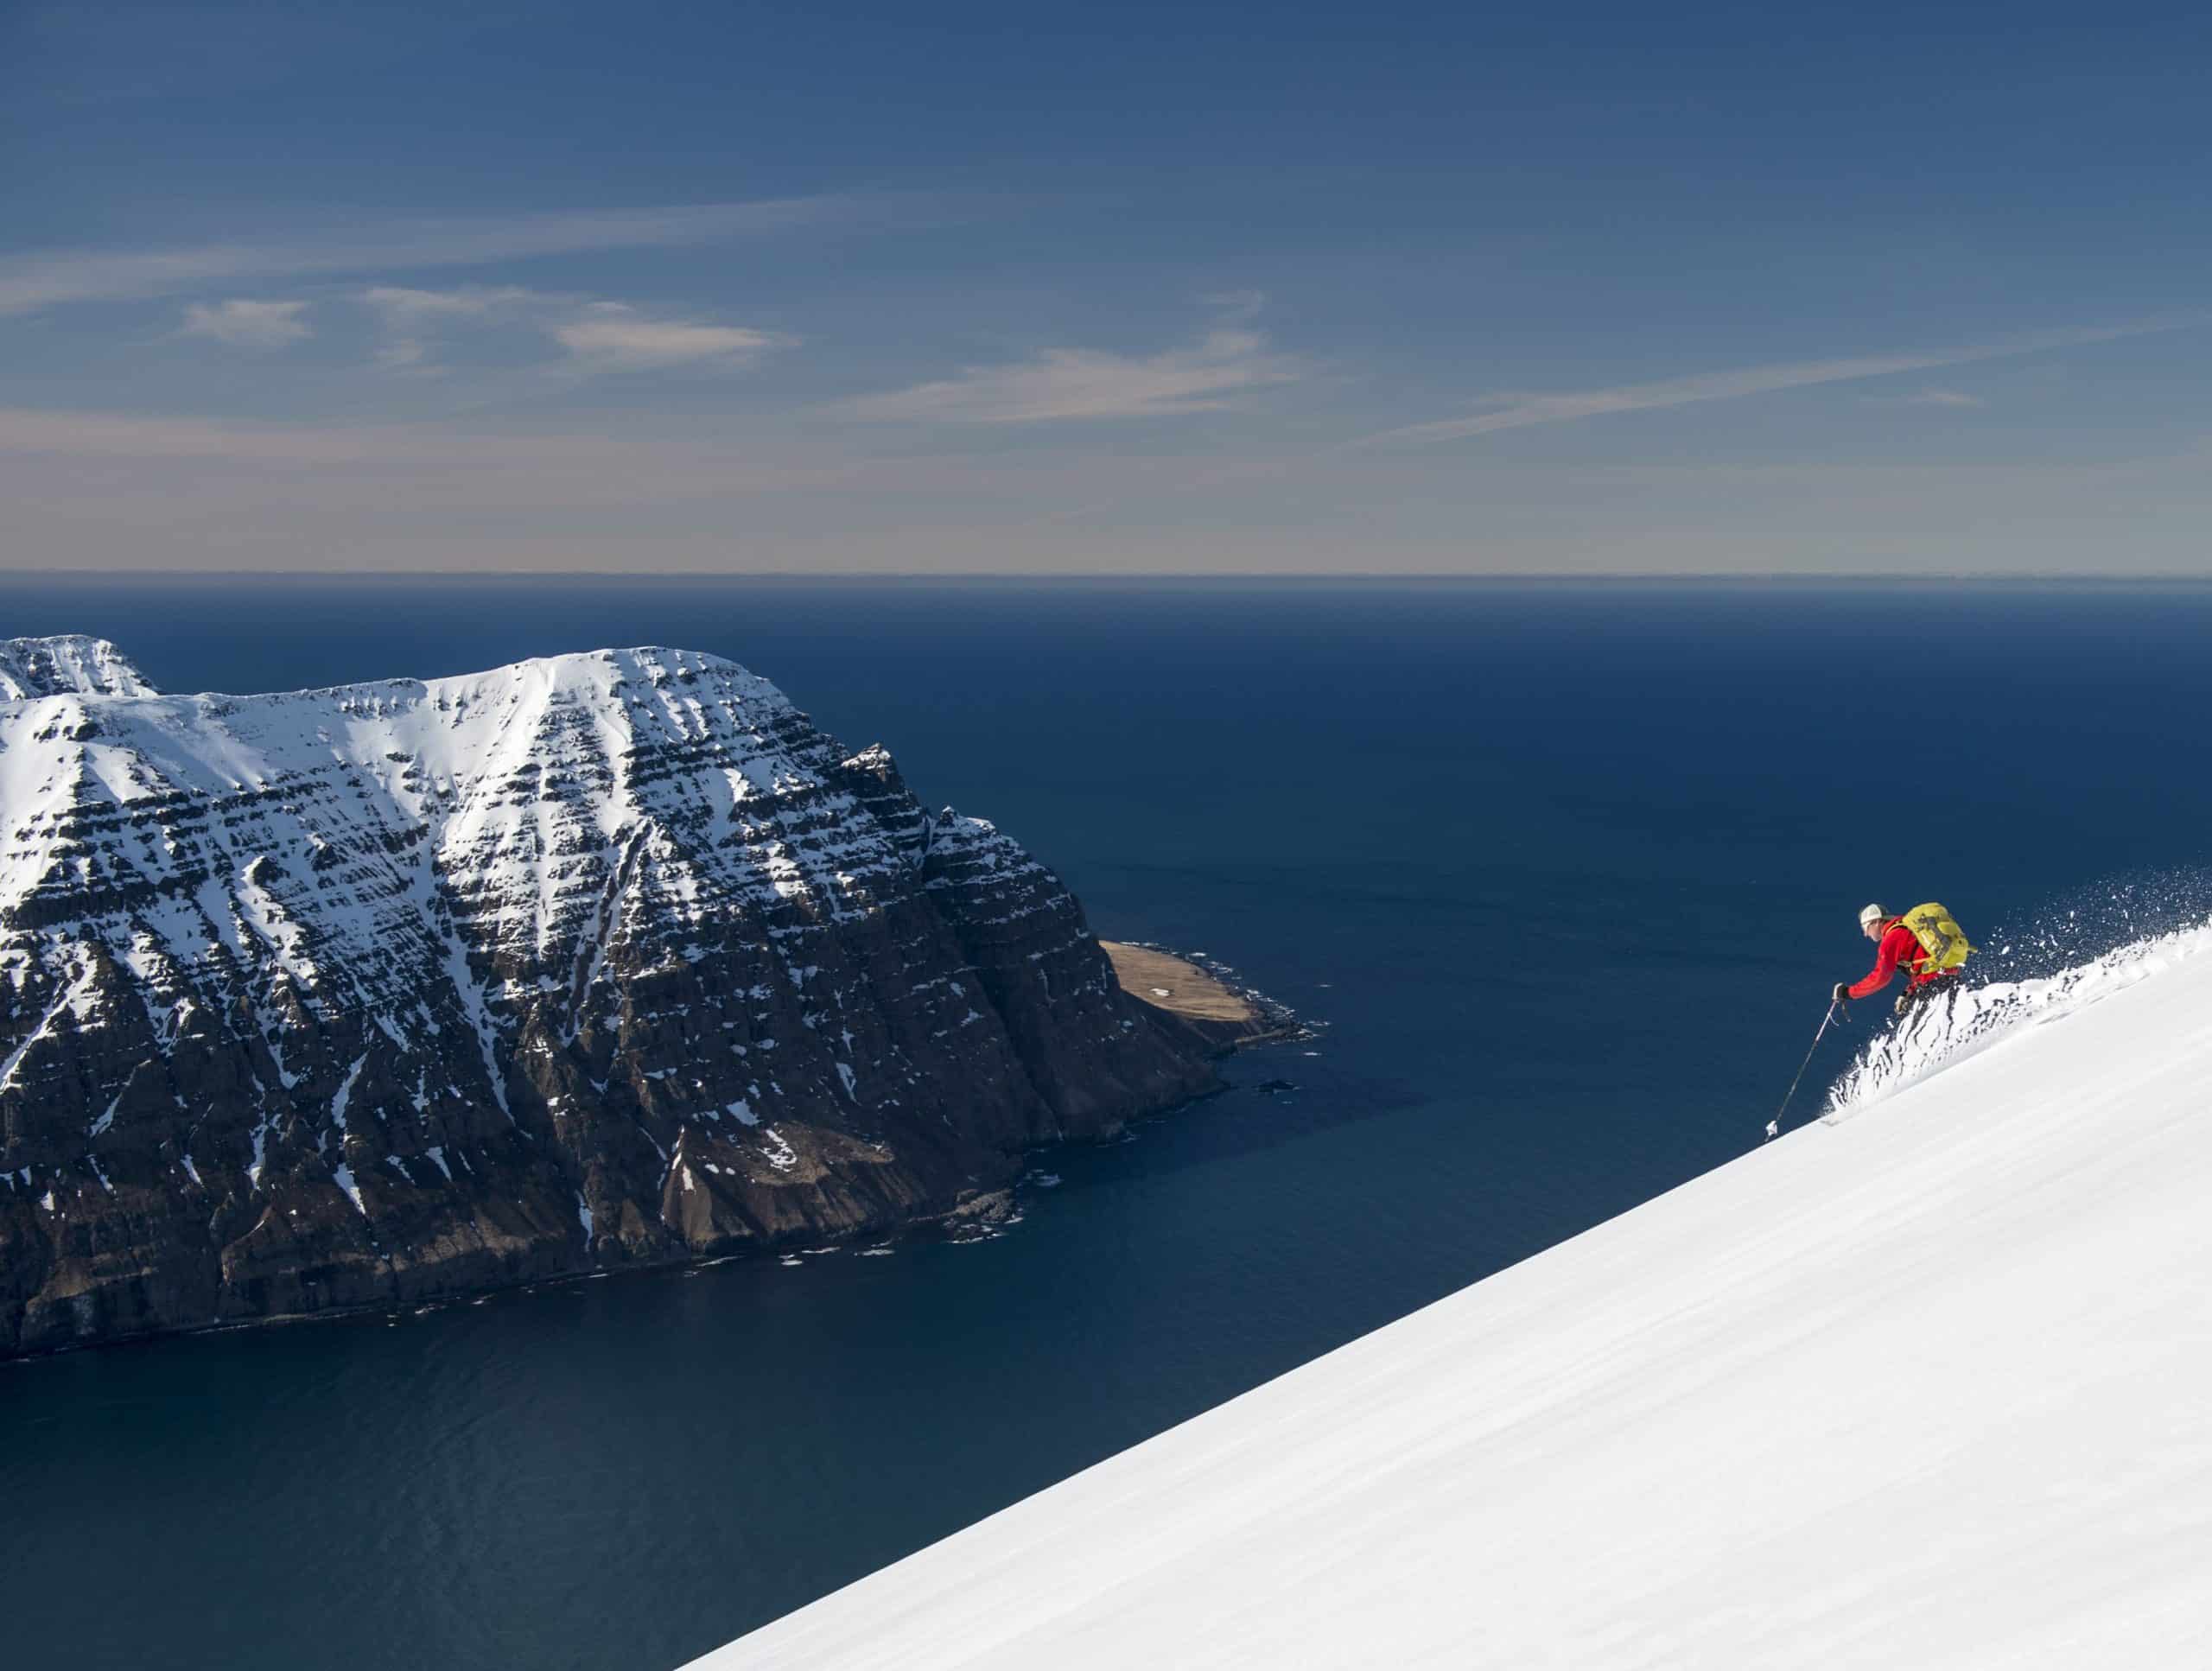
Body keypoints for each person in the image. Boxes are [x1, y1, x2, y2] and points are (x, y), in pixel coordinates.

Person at [1833, 902, 1966, 1015]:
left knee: (1920, 1035)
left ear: (1877, 922)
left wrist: (1849, 993)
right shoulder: (1907, 929)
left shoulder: (1892, 938)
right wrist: (1909, 992)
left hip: (1933, 985)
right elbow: (1922, 962)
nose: (1865, 934)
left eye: (1866, 928)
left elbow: (1880, 977)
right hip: (1948, 977)